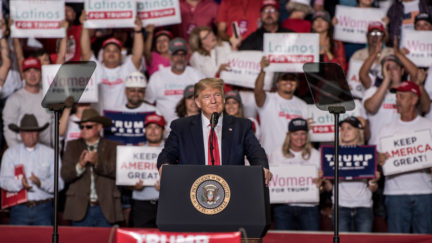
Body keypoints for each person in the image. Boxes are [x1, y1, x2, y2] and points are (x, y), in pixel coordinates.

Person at [157, 78, 271, 184]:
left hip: (232, 189)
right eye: (207, 97)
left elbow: (256, 152)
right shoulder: (181, 127)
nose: (213, 101)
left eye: (217, 95)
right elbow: (167, 154)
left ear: (223, 99)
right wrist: (165, 165)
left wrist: (262, 167)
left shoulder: (241, 126)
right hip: (192, 189)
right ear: (197, 102)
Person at [377, 81, 432, 233]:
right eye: (397, 96)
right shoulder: (386, 129)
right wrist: (378, 159)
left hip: (425, 192)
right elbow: (377, 161)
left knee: (425, 238)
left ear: (414, 100)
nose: (397, 100)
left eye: (401, 96)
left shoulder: (429, 126)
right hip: (395, 194)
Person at [61, 108, 123, 226]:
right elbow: (65, 175)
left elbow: (119, 172)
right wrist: (81, 165)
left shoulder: (113, 147)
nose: (84, 130)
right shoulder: (72, 146)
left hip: (106, 207)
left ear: (99, 127)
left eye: (88, 127)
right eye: (81, 127)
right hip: (79, 207)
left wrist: (97, 163)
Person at [0, 114, 64, 225]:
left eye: (34, 131)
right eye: (26, 132)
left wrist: (41, 183)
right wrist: (20, 184)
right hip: (19, 208)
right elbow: (3, 181)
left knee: (45, 240)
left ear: (38, 133)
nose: (30, 135)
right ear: (20, 134)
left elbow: (60, 183)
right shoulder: (10, 154)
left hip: (44, 208)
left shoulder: (50, 154)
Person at [80, 11, 144, 112]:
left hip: (121, 119)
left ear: (121, 55)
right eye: (108, 50)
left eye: (115, 51)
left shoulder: (126, 69)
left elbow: (138, 56)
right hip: (99, 122)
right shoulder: (96, 68)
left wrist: (138, 30)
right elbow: (85, 52)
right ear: (102, 54)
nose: (111, 53)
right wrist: (84, 26)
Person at [362, 54, 430, 145]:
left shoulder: (410, 93)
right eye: (387, 68)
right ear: (382, 72)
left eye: (394, 68)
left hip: (404, 148)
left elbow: (425, 108)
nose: (390, 72)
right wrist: (386, 80)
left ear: (402, 71)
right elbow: (371, 108)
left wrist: (420, 85)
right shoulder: (372, 91)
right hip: (378, 147)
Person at [269, 118, 322, 231]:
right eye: (295, 133)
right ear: (288, 135)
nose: (299, 137)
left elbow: (322, 186)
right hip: (283, 207)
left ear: (307, 135)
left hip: (309, 207)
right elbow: (271, 181)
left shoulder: (316, 155)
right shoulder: (276, 154)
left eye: (303, 133)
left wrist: (320, 183)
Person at [333, 116, 379, 232]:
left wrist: (374, 180)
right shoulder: (332, 153)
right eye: (342, 128)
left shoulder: (368, 153)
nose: (345, 131)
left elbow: (373, 188)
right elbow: (329, 185)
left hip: (363, 205)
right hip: (340, 205)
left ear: (358, 131)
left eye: (349, 128)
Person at [145, 37, 205, 125]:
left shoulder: (197, 75)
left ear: (187, 56)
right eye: (175, 55)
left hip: (192, 128)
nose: (179, 58)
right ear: (169, 56)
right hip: (164, 131)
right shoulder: (157, 77)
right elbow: (147, 103)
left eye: (182, 54)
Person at [255, 57, 308, 156]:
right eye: (284, 78)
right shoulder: (268, 99)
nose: (288, 82)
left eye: (292, 79)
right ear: (277, 82)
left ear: (297, 84)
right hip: (269, 156)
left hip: (293, 158)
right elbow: (257, 91)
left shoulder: (303, 105)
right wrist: (263, 70)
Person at [3, 57, 52, 148]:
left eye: (36, 71)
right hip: (22, 149)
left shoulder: (49, 97)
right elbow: (9, 129)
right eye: (28, 71)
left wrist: (55, 149)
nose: (32, 75)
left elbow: (53, 125)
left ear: (41, 73)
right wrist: (18, 154)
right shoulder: (14, 99)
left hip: (47, 150)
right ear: (23, 75)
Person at [103, 71, 159, 145]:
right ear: (126, 91)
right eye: (132, 90)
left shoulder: (154, 112)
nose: (136, 94)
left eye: (140, 91)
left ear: (144, 92)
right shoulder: (113, 112)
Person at [131, 114, 166, 228]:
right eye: (149, 127)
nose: (153, 131)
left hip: (166, 203)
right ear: (145, 130)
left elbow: (181, 177)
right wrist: (131, 186)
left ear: (163, 130)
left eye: (157, 127)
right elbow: (125, 177)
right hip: (141, 205)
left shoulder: (172, 151)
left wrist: (168, 187)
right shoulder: (134, 152)